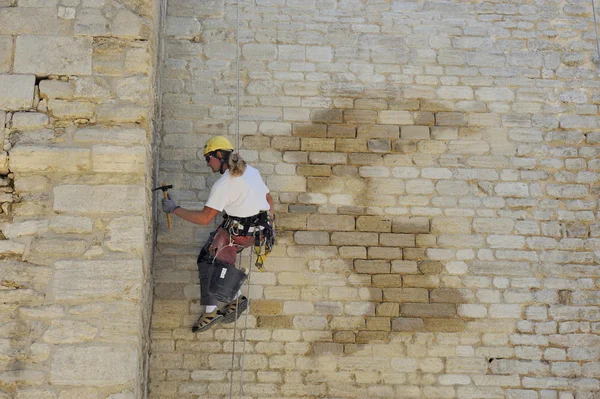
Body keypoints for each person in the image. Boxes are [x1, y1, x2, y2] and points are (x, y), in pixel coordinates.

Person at [162, 135, 275, 332]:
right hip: (259, 233)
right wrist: (267, 224)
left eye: (208, 158)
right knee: (217, 257)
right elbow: (269, 199)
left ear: (220, 155)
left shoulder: (225, 183)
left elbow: (204, 218)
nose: (207, 164)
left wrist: (174, 209)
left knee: (208, 260)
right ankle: (233, 300)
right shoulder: (251, 171)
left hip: (239, 232)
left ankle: (215, 309)